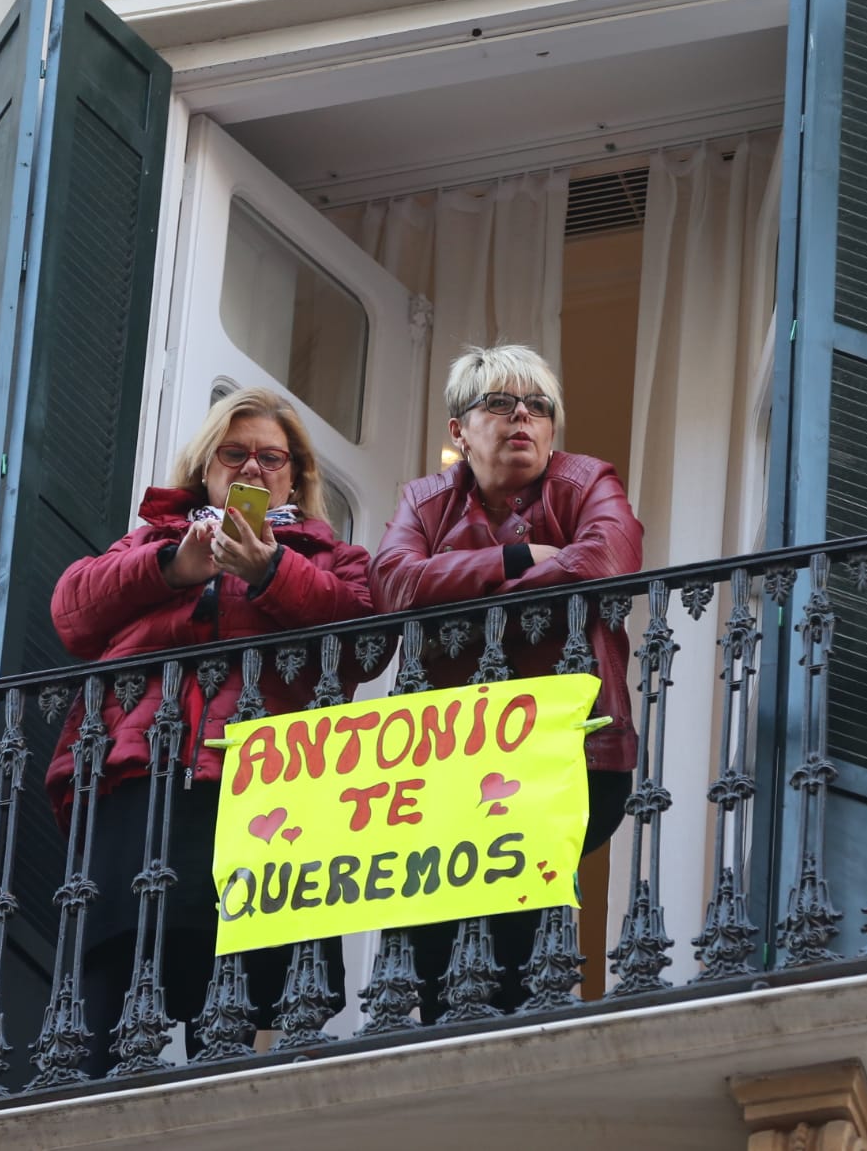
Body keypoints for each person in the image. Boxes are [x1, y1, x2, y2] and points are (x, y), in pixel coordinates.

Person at [45, 387, 375, 1068]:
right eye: (236, 453)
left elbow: (362, 642)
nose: (253, 468)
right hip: (144, 777)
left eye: (272, 458)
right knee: (113, 975)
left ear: (296, 475)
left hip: (269, 788)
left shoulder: (330, 557)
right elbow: (72, 613)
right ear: (206, 466)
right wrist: (174, 567)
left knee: (244, 991)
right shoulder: (148, 543)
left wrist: (272, 570)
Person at [370, 344, 643, 1019]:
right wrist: (519, 557)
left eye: (538, 406)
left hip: (568, 749)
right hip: (445, 756)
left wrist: (466, 586)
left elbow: (605, 560)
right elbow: (393, 584)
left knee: (524, 917)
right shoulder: (424, 500)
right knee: (440, 933)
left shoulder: (586, 481)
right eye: (499, 403)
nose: (522, 416)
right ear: (459, 431)